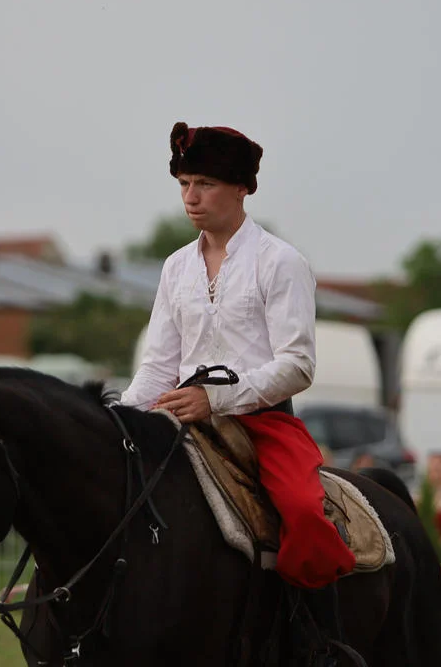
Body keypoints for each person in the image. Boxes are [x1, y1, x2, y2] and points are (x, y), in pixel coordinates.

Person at [120, 121, 356, 660]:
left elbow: (297, 365)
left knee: (302, 511)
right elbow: (157, 367)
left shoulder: (282, 262)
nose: (191, 197)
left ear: (242, 188)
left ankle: (323, 645)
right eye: (183, 183)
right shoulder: (175, 267)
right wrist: (122, 420)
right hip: (178, 415)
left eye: (203, 182)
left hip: (262, 423)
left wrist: (216, 399)